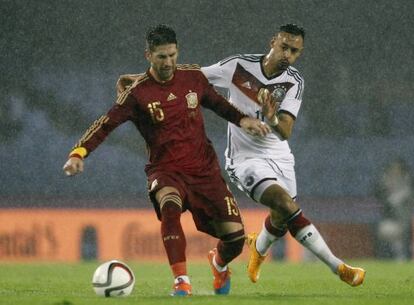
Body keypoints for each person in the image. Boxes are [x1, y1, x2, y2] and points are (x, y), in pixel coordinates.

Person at [62, 24, 271, 296]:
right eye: (162, 57)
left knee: (234, 239)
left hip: (204, 171)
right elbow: (105, 124)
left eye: (172, 55)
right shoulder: (137, 94)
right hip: (166, 170)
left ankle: (218, 264)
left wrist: (243, 119)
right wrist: (79, 153)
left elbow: (218, 103)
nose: (169, 62)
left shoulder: (193, 78)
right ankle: (181, 281)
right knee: (170, 206)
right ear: (148, 55)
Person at [201, 24, 366, 286]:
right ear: (272, 42)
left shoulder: (294, 81)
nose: (287, 55)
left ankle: (253, 250)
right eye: (284, 47)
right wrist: (146, 80)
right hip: (245, 160)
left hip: (279, 156)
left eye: (294, 51)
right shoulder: (238, 66)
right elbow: (194, 78)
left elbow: (285, 131)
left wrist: (271, 117)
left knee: (281, 218)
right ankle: (339, 267)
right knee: (287, 206)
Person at [375, 158, 413, 260]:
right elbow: (383, 201)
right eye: (393, 169)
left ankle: (403, 255)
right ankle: (398, 256)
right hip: (395, 222)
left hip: (409, 222)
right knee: (389, 232)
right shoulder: (384, 185)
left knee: (402, 233)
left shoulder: (409, 184)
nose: (395, 172)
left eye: (397, 169)